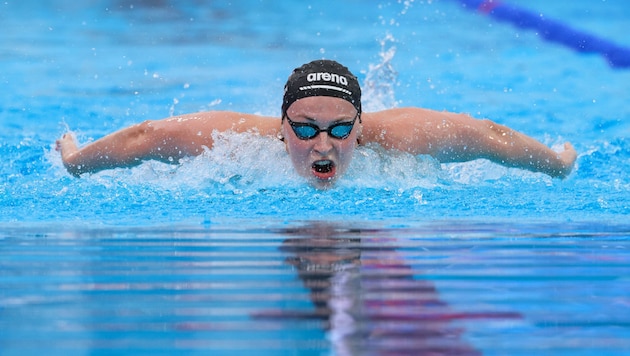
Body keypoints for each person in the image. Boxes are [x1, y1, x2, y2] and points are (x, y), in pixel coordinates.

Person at [56, 59, 577, 189]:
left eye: (339, 129)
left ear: (361, 123)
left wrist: (557, 164)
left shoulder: (403, 138)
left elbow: (491, 137)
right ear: (281, 126)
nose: (322, 144)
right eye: (305, 130)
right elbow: (146, 137)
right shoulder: (230, 141)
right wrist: (78, 162)